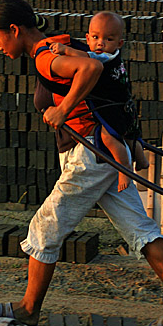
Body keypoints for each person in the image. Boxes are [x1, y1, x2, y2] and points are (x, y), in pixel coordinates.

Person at [0, 0, 163, 326]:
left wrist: (64, 108)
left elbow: (93, 67)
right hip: (99, 154)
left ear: (14, 29)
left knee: (45, 228)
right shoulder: (54, 45)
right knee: (140, 229)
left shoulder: (45, 58)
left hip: (90, 156)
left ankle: (28, 309)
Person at [48, 11, 149, 193]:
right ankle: (141, 159)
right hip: (125, 104)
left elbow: (86, 59)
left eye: (108, 39)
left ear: (119, 43)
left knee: (107, 136)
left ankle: (124, 168)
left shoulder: (103, 57)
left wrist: (65, 51)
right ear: (87, 38)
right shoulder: (115, 56)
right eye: (95, 37)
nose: (100, 43)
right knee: (130, 134)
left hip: (112, 106)